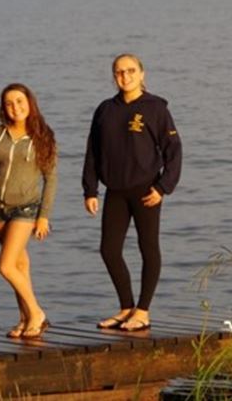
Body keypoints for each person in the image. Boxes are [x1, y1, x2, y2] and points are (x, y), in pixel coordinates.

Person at [83, 53, 182, 332]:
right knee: (109, 250)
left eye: (130, 71)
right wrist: (90, 190)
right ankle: (126, 307)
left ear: (141, 74)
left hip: (146, 190)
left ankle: (143, 310)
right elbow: (92, 152)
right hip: (115, 190)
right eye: (119, 72)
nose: (124, 76)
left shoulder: (156, 108)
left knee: (147, 247)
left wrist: (163, 187)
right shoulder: (105, 109)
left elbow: (174, 151)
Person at [0, 83, 58, 339]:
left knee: (6, 266)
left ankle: (37, 313)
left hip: (25, 209)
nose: (15, 107)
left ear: (29, 103)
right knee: (19, 264)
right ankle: (25, 318)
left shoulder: (43, 136)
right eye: (9, 103)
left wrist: (43, 216)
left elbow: (51, 179)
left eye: (19, 101)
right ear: (3, 108)